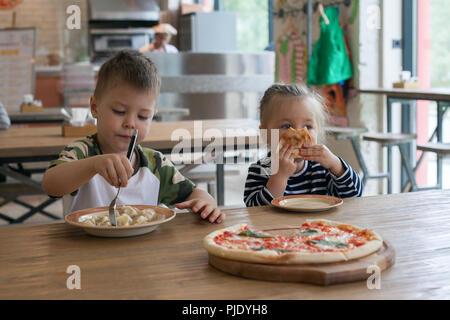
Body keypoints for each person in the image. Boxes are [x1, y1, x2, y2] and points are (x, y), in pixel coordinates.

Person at [42, 50, 224, 224]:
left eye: (143, 116)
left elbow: (193, 194)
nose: (131, 123)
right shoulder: (82, 151)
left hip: (143, 252)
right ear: (95, 107)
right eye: (119, 111)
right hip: (85, 252)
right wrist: (94, 164)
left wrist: (206, 202)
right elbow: (51, 184)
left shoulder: (155, 164)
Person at [243, 83, 363, 207]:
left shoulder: (323, 169)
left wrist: (336, 165)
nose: (300, 135)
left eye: (308, 126)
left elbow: (354, 195)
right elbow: (255, 211)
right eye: (287, 126)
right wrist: (280, 178)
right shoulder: (259, 170)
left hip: (319, 225)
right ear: (265, 134)